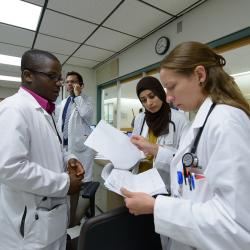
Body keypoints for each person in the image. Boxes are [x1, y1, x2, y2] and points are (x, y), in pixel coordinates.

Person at [121, 41, 250, 250]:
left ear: (200, 75)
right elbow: (197, 180)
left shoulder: (226, 123)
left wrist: (157, 207)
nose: (169, 97)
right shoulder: (200, 121)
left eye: (172, 87)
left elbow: (236, 226)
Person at [0, 49, 84, 250]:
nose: (59, 83)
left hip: (48, 222)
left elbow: (51, 148)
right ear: (28, 76)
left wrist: (69, 159)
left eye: (60, 78)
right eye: (51, 76)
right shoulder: (14, 109)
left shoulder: (45, 111)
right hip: (27, 231)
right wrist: (64, 183)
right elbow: (9, 167)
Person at [57, 71, 95, 227]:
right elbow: (59, 123)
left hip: (79, 149)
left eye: (73, 81)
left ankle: (75, 219)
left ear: (81, 85)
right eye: (67, 82)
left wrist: (78, 97)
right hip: (64, 148)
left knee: (78, 184)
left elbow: (87, 115)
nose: (69, 84)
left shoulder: (87, 100)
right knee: (67, 184)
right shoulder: (63, 102)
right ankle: (67, 217)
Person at [132, 76, 187, 183]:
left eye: (152, 96)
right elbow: (134, 146)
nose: (149, 103)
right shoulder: (140, 119)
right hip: (140, 179)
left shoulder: (179, 119)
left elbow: (183, 158)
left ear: (160, 93)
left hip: (164, 182)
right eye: (143, 100)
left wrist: (154, 150)